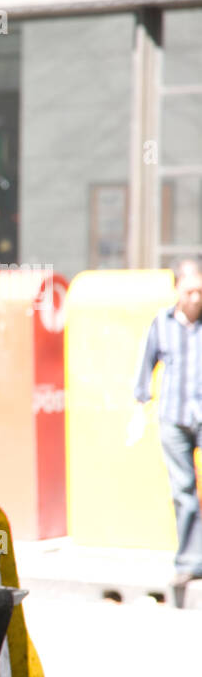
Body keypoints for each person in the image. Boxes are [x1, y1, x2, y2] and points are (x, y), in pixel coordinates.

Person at [130, 255, 202, 604]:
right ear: (177, 290)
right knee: (184, 491)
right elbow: (146, 366)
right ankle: (189, 562)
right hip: (174, 417)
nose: (195, 298)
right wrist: (138, 410)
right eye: (189, 291)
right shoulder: (162, 323)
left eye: (200, 291)